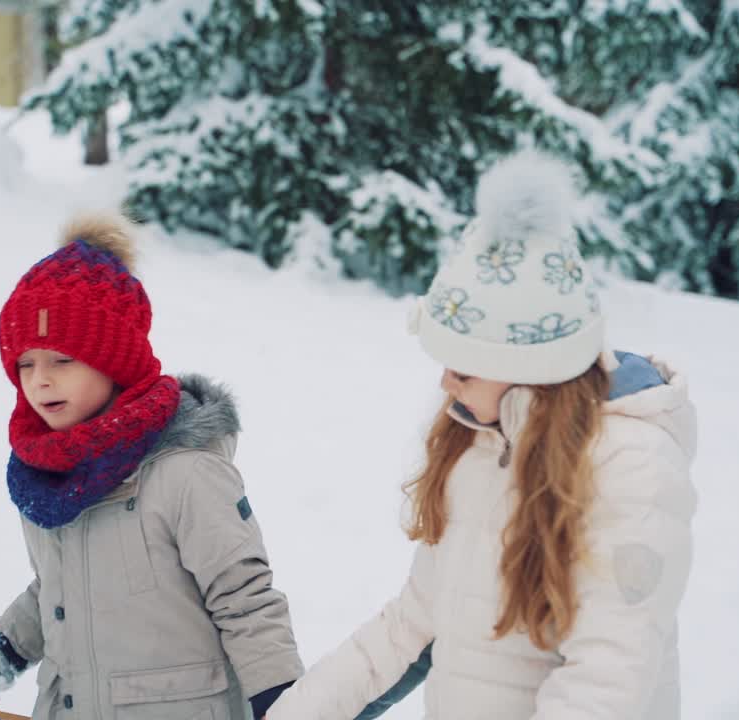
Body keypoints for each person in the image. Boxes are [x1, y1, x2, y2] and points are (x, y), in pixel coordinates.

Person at [270, 152, 697, 720]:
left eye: (464, 368)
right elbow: (413, 627)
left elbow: (606, 682)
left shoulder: (630, 468)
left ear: (532, 367)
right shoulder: (477, 446)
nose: (446, 382)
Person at [0, 215, 304, 720]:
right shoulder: (48, 475)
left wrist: (284, 705)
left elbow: (245, 600)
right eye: (26, 363)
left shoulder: (185, 473)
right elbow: (59, 586)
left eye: (62, 360)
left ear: (115, 361)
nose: (40, 381)